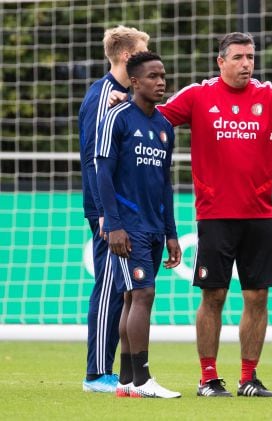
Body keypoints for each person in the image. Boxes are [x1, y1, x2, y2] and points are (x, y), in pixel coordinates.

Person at [157, 32, 272, 398]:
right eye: (238, 57)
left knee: (257, 297)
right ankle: (207, 378)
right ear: (221, 62)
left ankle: (248, 378)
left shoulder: (269, 95)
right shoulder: (198, 95)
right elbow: (155, 117)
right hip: (216, 215)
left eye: (250, 56)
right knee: (213, 296)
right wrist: (123, 101)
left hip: (260, 215)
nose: (246, 63)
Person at [96, 51, 182, 399]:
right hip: (126, 226)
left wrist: (172, 232)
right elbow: (102, 171)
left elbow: (165, 184)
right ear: (134, 81)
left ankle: (128, 382)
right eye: (152, 76)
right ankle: (144, 379)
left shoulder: (163, 127)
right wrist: (113, 223)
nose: (160, 82)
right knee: (143, 294)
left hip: (154, 226)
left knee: (133, 297)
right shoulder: (117, 118)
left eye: (163, 76)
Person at [78, 25, 149, 393]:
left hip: (123, 212)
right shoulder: (102, 95)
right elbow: (95, 160)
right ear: (126, 56)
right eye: (143, 51)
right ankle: (96, 374)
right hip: (109, 213)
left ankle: (114, 372)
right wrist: (106, 213)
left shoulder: (123, 96)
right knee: (107, 287)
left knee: (120, 288)